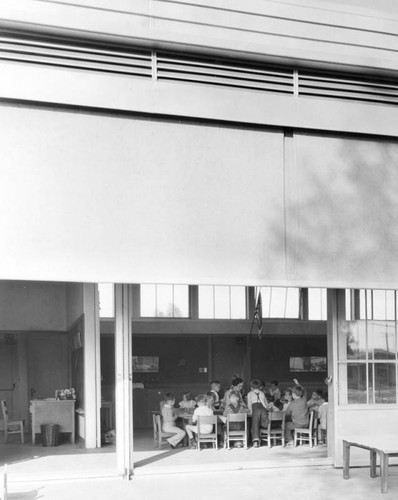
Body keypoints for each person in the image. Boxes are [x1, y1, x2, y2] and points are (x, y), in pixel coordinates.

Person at [247, 378, 269, 448]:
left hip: (255, 408)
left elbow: (249, 404)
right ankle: (265, 431)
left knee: (255, 423)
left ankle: (256, 441)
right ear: (259, 387)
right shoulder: (262, 393)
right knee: (264, 422)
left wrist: (250, 411)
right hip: (262, 409)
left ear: (251, 387)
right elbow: (265, 403)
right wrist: (265, 409)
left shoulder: (250, 393)